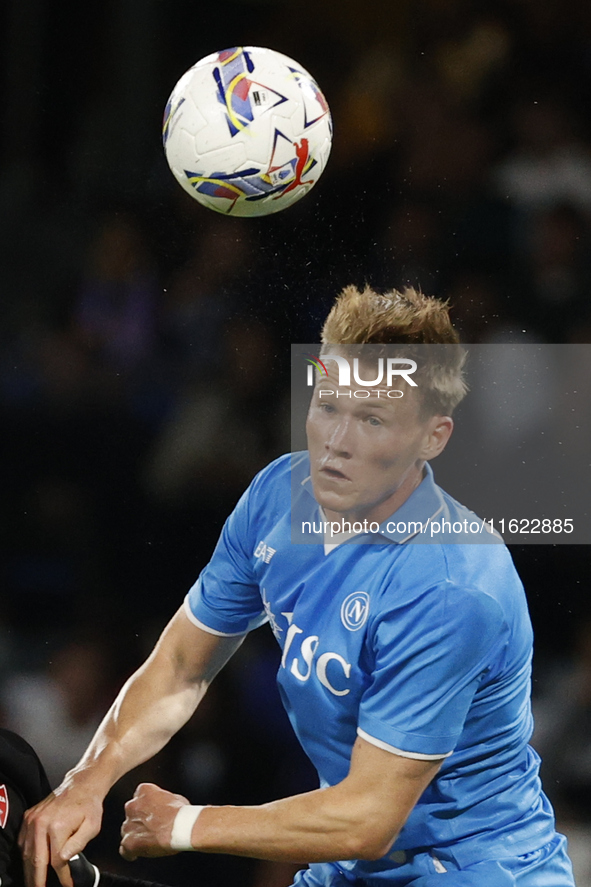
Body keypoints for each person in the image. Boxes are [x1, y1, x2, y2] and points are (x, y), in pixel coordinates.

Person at [20, 286, 575, 886]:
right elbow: (182, 663)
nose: (336, 441)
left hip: (473, 870)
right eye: (328, 405)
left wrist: (185, 827)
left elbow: (368, 817)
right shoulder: (276, 495)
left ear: (432, 437)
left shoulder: (453, 586)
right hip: (347, 865)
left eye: (371, 419)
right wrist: (87, 782)